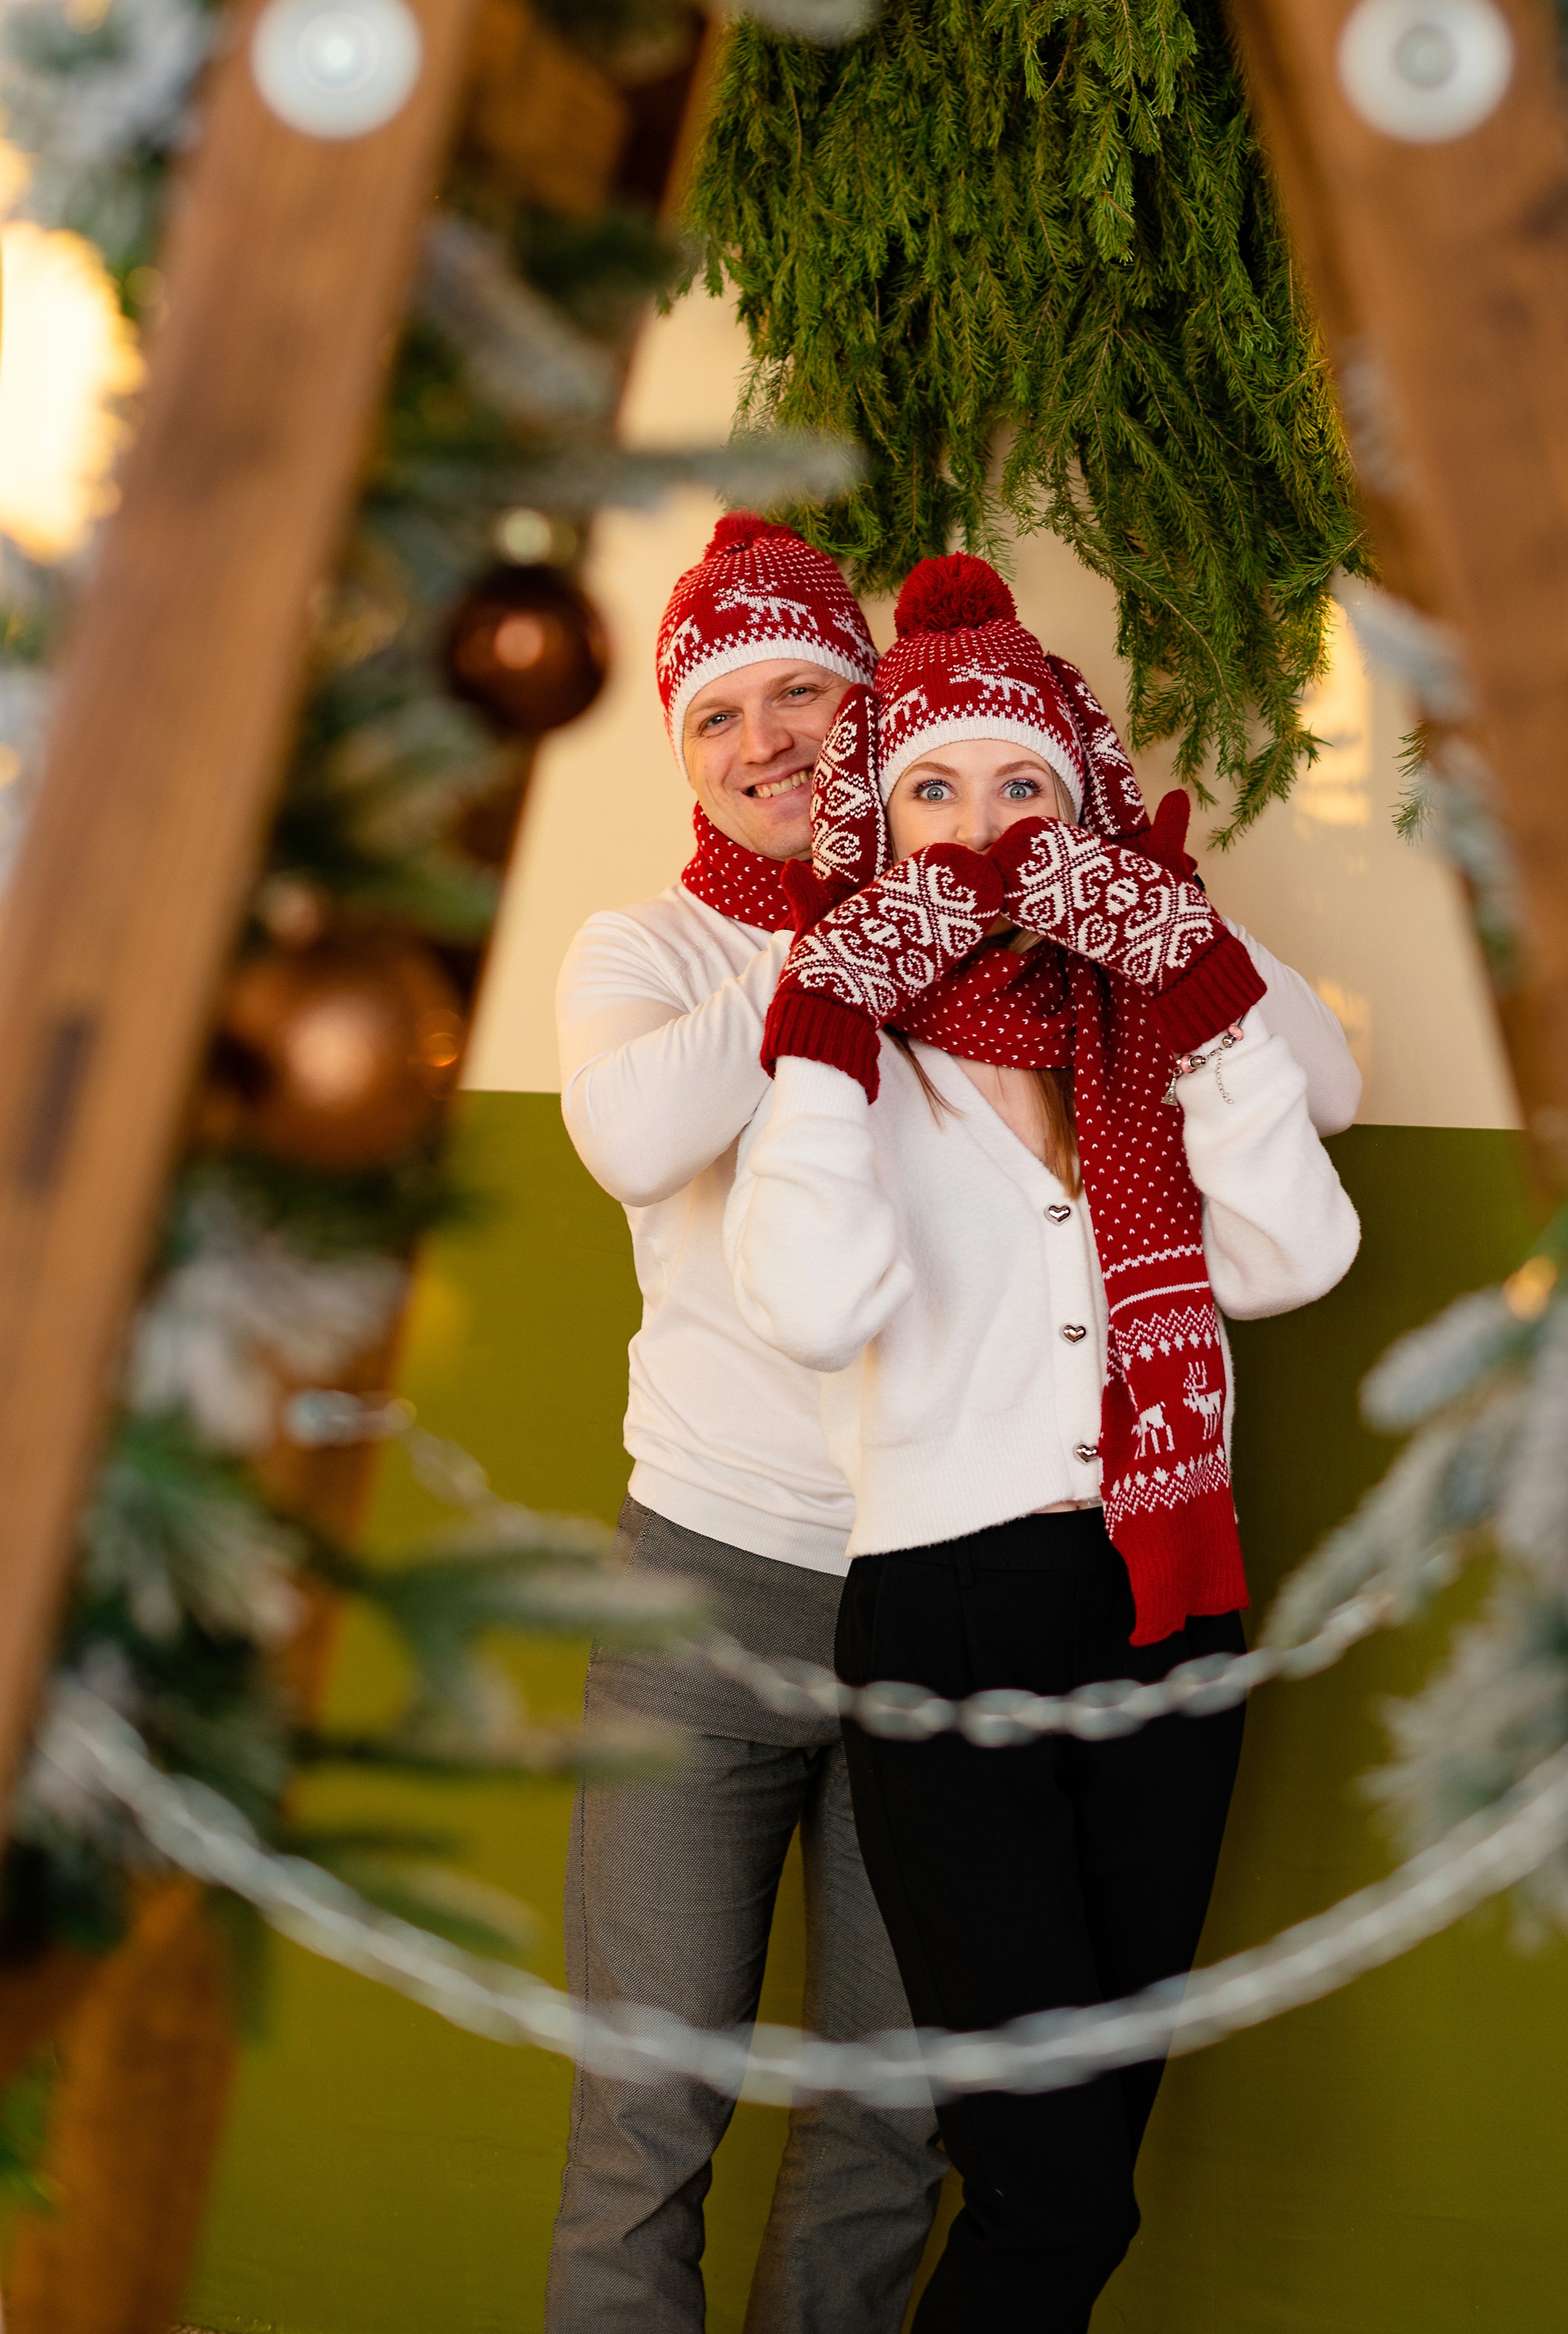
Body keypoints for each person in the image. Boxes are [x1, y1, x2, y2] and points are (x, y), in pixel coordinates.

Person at [726, 554, 1363, 2333]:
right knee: (1044, 2189)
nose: (982, 829)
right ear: (879, 818)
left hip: (1171, 1609)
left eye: (1025, 790)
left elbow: (1294, 1258)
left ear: (1082, 815)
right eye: (932, 788)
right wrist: (829, 1026)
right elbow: (807, 1299)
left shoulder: (1139, 1028)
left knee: (1090, 2196)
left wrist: (1189, 972)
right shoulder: (854, 1035)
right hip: (945, 1623)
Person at [545, 513, 947, 2334]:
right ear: (681, 751)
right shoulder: (643, 950)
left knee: (893, 2122)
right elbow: (634, 1139)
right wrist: (852, 935)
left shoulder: (978, 948)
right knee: (646, 2115)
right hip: (704, 1604)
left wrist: (929, 912)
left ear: (869, 710)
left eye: (807, 692)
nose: (770, 740)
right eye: (723, 714)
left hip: (948, 1600)